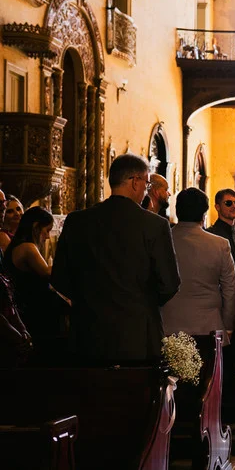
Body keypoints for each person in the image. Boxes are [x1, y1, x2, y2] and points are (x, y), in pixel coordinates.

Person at [51, 154, 181, 362]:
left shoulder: (77, 221)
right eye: (147, 184)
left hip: (88, 336)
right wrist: (141, 304)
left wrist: (89, 302)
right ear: (135, 182)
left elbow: (59, 277)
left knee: (91, 393)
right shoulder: (154, 225)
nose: (145, 191)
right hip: (138, 338)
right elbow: (169, 283)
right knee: (136, 394)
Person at [161, 188, 235, 345]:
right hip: (208, 327)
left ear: (177, 210)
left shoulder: (162, 241)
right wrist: (228, 326)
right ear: (205, 212)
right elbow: (230, 289)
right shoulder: (220, 244)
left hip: (167, 326)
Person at [3, 207, 69, 356]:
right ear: (35, 227)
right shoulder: (28, 247)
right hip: (31, 310)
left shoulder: (19, 244)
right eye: (46, 230)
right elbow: (46, 272)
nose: (46, 236)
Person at [207, 189, 235, 311]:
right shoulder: (211, 235)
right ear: (217, 207)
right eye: (228, 203)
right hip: (220, 301)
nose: (234, 206)